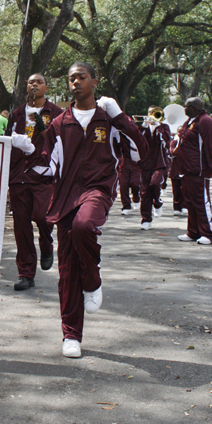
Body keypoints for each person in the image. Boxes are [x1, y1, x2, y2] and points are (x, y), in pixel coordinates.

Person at [26, 62, 146, 358]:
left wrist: (119, 116)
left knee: (84, 226)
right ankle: (71, 335)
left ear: (95, 80)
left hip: (98, 189)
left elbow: (140, 151)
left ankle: (93, 280)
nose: (75, 82)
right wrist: (23, 144)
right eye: (71, 79)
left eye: (81, 77)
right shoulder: (59, 122)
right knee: (67, 270)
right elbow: (44, 161)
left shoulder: (109, 119)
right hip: (66, 196)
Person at [7, 73, 63, 290]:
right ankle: (26, 274)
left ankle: (47, 245)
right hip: (19, 176)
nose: (34, 85)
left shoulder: (56, 113)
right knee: (21, 227)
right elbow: (8, 143)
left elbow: (61, 142)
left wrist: (43, 129)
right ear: (26, 87)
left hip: (43, 175)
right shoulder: (17, 113)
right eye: (30, 82)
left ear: (46, 87)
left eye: (39, 82)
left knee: (43, 216)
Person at [173, 97, 212, 244]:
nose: (184, 108)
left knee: (201, 202)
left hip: (199, 170)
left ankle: (208, 234)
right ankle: (193, 231)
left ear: (193, 107)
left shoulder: (206, 121)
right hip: (187, 169)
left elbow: (211, 146)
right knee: (190, 202)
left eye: (186, 106)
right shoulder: (190, 122)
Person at [138, 109, 171, 230]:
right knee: (145, 191)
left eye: (154, 113)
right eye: (150, 112)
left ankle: (157, 201)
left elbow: (166, 142)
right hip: (145, 163)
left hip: (159, 163)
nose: (152, 115)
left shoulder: (164, 127)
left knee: (155, 184)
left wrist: (158, 127)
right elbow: (138, 141)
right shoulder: (143, 128)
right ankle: (146, 219)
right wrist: (144, 127)